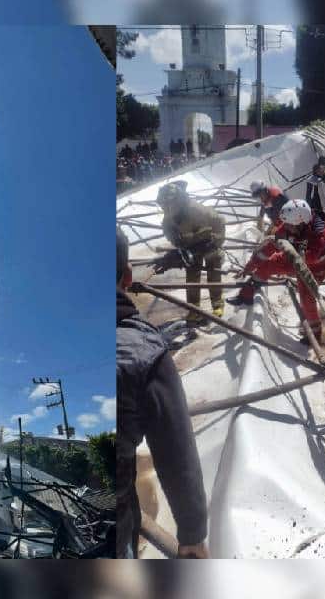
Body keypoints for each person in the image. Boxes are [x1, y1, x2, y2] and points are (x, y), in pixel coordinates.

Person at [117, 228, 209, 559]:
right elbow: (176, 452)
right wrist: (193, 533)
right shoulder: (142, 350)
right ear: (128, 276)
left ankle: (203, 311)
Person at [227, 199, 325, 344]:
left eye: (290, 225)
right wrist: (249, 267)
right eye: (286, 224)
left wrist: (293, 251)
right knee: (267, 265)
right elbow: (267, 250)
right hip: (293, 256)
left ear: (302, 223)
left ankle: (315, 333)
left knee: (307, 298)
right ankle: (246, 295)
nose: (286, 227)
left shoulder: (319, 232)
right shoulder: (289, 226)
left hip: (315, 267)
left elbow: (312, 257)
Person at [154, 181, 226, 324]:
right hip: (190, 248)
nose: (166, 208)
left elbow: (220, 222)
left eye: (168, 204)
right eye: (163, 205)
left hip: (209, 245)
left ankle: (217, 305)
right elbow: (168, 232)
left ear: (178, 200)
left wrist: (215, 242)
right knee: (192, 277)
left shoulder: (197, 210)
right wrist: (178, 247)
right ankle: (194, 310)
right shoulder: (169, 217)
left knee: (214, 273)